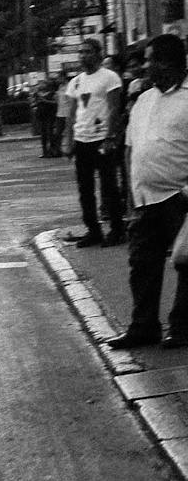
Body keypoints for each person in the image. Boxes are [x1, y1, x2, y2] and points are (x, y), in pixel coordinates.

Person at [105, 34, 188, 350]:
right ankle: (144, 326)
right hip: (144, 199)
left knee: (186, 263)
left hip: (179, 198)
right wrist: (130, 194)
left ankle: (181, 327)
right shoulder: (143, 99)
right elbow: (131, 148)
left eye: (150, 59)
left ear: (169, 62)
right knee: (142, 265)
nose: (144, 66)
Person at [60, 37, 127, 248]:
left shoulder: (109, 78)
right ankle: (93, 230)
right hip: (82, 139)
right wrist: (68, 140)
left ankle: (117, 230)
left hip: (102, 139)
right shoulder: (76, 82)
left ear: (98, 54)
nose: (83, 55)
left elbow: (115, 109)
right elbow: (71, 114)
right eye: (80, 52)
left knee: (109, 186)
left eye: (87, 51)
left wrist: (110, 136)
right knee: (85, 188)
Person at [33, 79, 62, 158]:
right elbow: (34, 103)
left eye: (42, 84)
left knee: (50, 133)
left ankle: (53, 150)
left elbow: (56, 103)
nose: (40, 85)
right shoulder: (37, 94)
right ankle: (45, 151)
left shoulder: (52, 93)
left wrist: (45, 101)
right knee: (43, 134)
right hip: (41, 115)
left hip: (50, 115)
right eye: (39, 84)